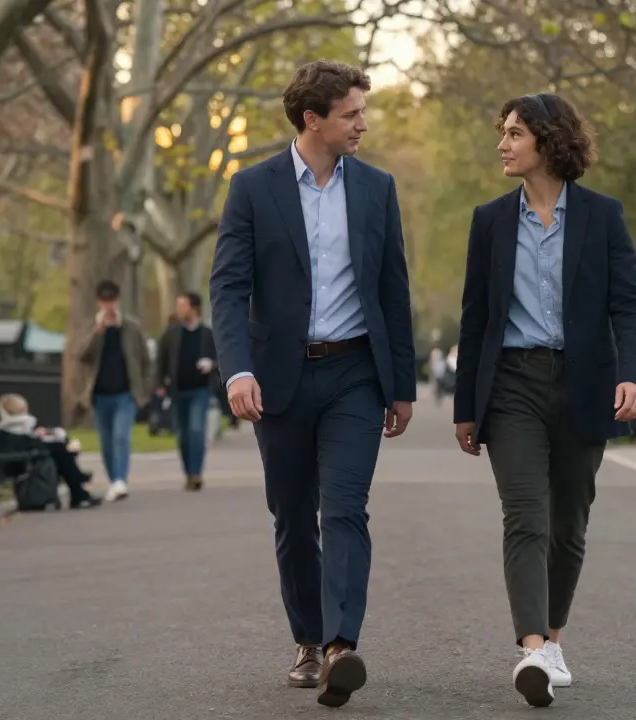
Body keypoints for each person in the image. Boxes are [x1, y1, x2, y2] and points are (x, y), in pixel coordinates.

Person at [209, 60, 416, 708]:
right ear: (312, 119)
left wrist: (401, 385)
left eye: (362, 112)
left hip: (356, 373)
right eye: (351, 114)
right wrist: (238, 369)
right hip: (280, 378)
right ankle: (307, 638)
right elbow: (228, 287)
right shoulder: (253, 188)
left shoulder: (377, 188)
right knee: (294, 516)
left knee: (345, 508)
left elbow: (393, 289)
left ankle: (339, 647)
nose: (362, 124)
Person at [452, 92, 636, 708]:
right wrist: (466, 407)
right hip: (512, 385)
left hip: (584, 385)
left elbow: (629, 305)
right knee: (526, 516)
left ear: (548, 140)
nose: (503, 144)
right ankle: (533, 649)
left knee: (568, 526)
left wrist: (634, 376)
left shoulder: (601, 216)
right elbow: (475, 318)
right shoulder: (490, 220)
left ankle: (554, 640)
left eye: (514, 133)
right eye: (503, 132)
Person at [78, 279, 153, 503]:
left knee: (121, 436)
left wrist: (144, 388)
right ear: (98, 302)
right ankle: (114, 480)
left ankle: (120, 479)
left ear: (118, 300)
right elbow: (82, 356)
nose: (108, 306)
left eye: (111, 300)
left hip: (125, 393)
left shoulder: (131, 327)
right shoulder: (91, 326)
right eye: (104, 301)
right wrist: (98, 332)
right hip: (99, 393)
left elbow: (144, 359)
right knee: (106, 441)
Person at [0, 394, 103, 509]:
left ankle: (79, 489)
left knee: (60, 450)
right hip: (20, 461)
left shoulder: (21, 426)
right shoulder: (8, 429)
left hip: (29, 455)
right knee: (60, 451)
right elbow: (22, 444)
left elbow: (29, 441)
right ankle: (79, 488)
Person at [155, 292, 219, 491]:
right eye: (178, 306)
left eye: (183, 306)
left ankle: (196, 473)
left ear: (194, 309)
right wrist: (159, 384)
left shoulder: (207, 334)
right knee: (182, 434)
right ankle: (188, 471)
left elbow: (221, 358)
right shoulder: (171, 333)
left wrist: (212, 365)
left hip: (200, 390)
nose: (179, 310)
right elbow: (161, 359)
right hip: (177, 390)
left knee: (197, 430)